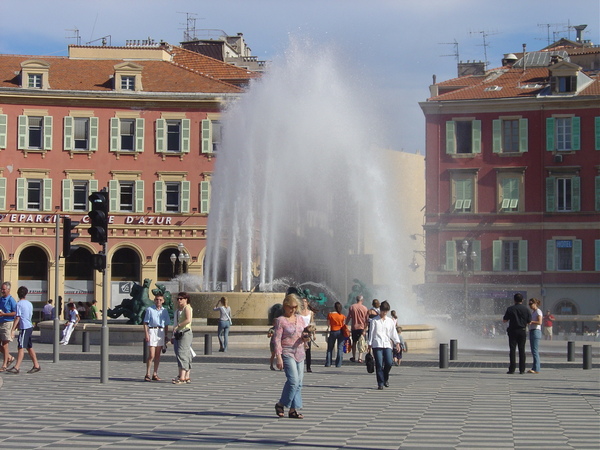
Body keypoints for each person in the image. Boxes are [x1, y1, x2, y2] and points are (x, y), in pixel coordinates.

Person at [274, 294, 309, 419]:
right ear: (285, 306)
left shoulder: (300, 319)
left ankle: (293, 410)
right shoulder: (280, 320)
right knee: (293, 381)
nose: (293, 310)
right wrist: (278, 357)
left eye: (295, 307)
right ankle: (281, 404)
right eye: (290, 307)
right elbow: (277, 339)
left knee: (299, 382)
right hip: (287, 352)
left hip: (300, 352)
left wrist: (306, 337)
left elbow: (304, 332)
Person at [367, 300, 401, 389]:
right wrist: (369, 344)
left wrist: (397, 343)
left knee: (389, 362)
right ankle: (380, 383)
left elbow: (393, 333)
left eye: (386, 311)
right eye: (383, 311)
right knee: (378, 364)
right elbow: (371, 332)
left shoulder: (390, 321)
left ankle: (385, 377)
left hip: (387, 344)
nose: (384, 313)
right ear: (380, 310)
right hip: (377, 344)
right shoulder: (374, 320)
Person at [7, 286, 41, 374]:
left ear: (18, 294)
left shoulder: (19, 304)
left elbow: (17, 317)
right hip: (29, 326)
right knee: (29, 347)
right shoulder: (29, 303)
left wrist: (12, 330)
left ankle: (17, 367)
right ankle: (36, 365)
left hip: (25, 327)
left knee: (20, 347)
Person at [143, 294, 170, 381]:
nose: (158, 301)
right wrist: (146, 334)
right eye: (157, 299)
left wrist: (166, 335)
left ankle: (155, 373)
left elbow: (166, 324)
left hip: (160, 332)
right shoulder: (150, 309)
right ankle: (147, 373)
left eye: (160, 300)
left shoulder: (165, 311)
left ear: (163, 301)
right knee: (151, 355)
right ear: (154, 300)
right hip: (152, 331)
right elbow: (145, 323)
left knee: (158, 355)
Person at [502, 293, 530, 374]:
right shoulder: (526, 309)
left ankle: (512, 369)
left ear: (514, 300)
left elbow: (505, 320)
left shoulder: (510, 309)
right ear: (522, 300)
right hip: (522, 330)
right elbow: (529, 321)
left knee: (512, 350)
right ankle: (522, 369)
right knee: (522, 350)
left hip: (513, 330)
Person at [171, 292, 193, 384]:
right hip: (178, 333)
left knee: (182, 353)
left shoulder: (187, 308)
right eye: (178, 299)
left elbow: (188, 319)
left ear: (186, 299)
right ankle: (185, 375)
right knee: (182, 353)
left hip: (185, 333)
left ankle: (182, 377)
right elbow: (175, 323)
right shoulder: (178, 310)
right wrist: (173, 334)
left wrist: (179, 325)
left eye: (181, 299)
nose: (179, 300)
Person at [345, 295, 368, 364]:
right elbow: (366, 320)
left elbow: (349, 317)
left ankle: (354, 356)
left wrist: (345, 324)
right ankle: (360, 358)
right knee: (361, 342)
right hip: (361, 327)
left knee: (354, 342)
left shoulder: (352, 307)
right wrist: (365, 329)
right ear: (362, 300)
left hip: (354, 327)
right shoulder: (365, 308)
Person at [0, 281, 17, 371]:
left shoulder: (11, 300)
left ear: (8, 289)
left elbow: (15, 313)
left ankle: (5, 364)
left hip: (7, 323)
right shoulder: (1, 299)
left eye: (4, 289)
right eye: (1, 289)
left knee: (5, 344)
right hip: (0, 322)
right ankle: (10, 357)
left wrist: (4, 314)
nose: (2, 291)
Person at [324, 301, 346, 368]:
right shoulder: (342, 316)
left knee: (330, 348)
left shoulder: (330, 315)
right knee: (340, 348)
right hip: (341, 332)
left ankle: (328, 363)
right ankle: (338, 364)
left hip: (333, 331)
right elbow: (344, 325)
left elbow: (328, 324)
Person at [299, 297, 315, 372]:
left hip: (308, 332)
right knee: (300, 350)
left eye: (305, 302)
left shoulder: (311, 313)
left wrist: (314, 334)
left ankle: (308, 367)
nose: (304, 303)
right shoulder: (298, 312)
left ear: (307, 303)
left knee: (308, 350)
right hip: (300, 332)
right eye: (302, 302)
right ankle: (300, 365)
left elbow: (312, 323)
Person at [528, 298, 542, 374]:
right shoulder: (533, 312)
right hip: (532, 331)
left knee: (535, 351)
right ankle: (534, 367)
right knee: (533, 351)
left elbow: (540, 322)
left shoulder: (538, 311)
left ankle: (537, 369)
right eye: (529, 304)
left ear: (535, 303)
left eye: (531, 304)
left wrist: (531, 322)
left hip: (536, 331)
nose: (530, 306)